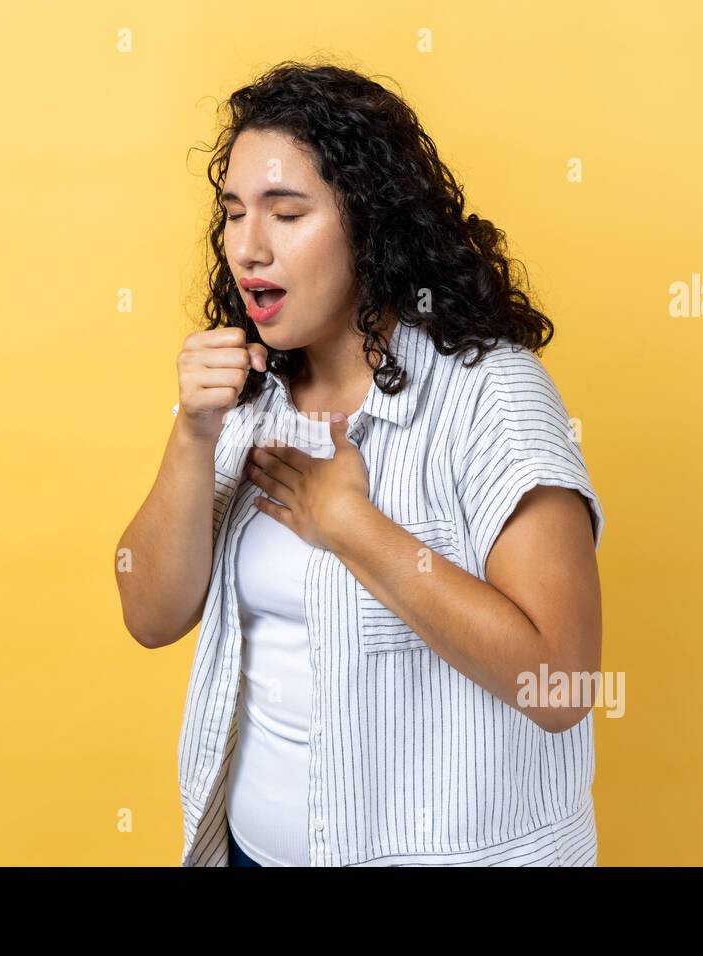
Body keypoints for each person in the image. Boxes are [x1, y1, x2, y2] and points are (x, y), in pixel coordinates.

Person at [115, 60, 605, 866]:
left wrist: (351, 526)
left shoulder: (490, 395)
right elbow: (150, 616)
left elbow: (561, 685)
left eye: (287, 213)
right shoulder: (245, 394)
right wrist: (192, 436)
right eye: (233, 214)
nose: (249, 247)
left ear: (371, 224)